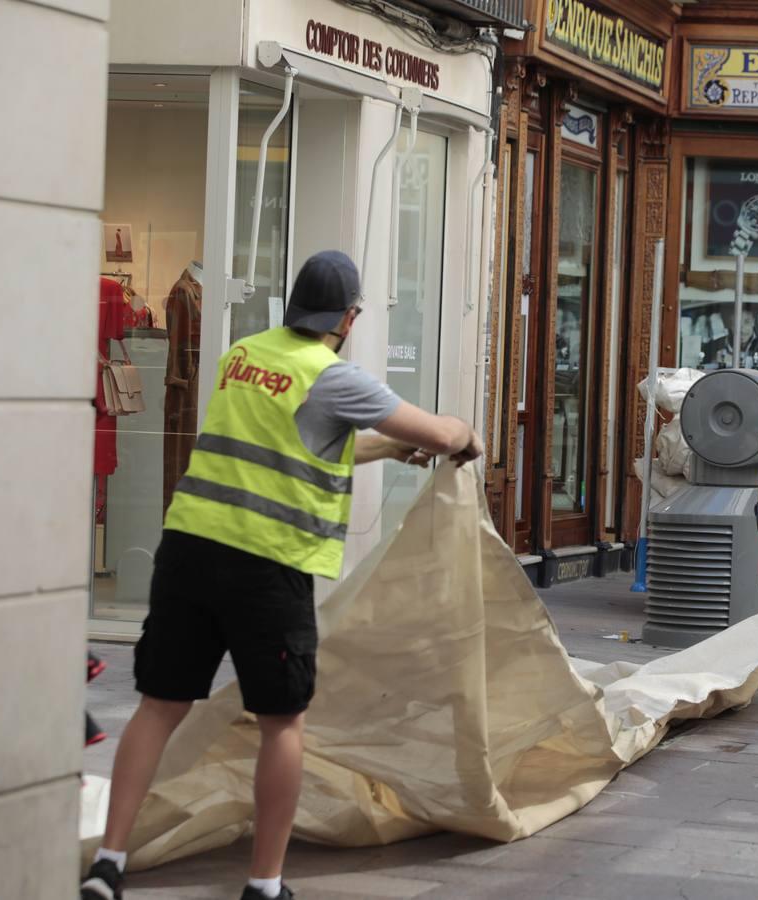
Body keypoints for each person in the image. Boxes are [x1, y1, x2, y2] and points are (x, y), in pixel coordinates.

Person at [80, 251, 483, 900]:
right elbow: (436, 432)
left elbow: (299, 444)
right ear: (347, 319)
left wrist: (383, 449)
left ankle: (108, 862)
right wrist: (462, 434)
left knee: (159, 706)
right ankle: (264, 884)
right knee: (281, 722)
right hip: (265, 566)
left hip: (187, 549)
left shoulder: (244, 355)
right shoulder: (332, 378)